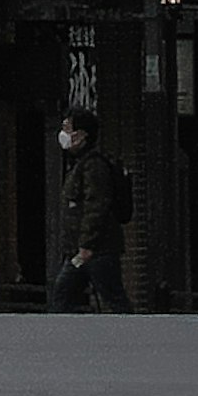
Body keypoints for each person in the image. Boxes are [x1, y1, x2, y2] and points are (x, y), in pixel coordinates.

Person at [53, 111, 133, 311]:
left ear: (81, 135)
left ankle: (131, 333)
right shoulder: (82, 164)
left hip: (95, 250)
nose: (62, 134)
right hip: (85, 250)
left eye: (67, 129)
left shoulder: (93, 166)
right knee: (66, 293)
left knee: (108, 295)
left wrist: (87, 243)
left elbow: (96, 205)